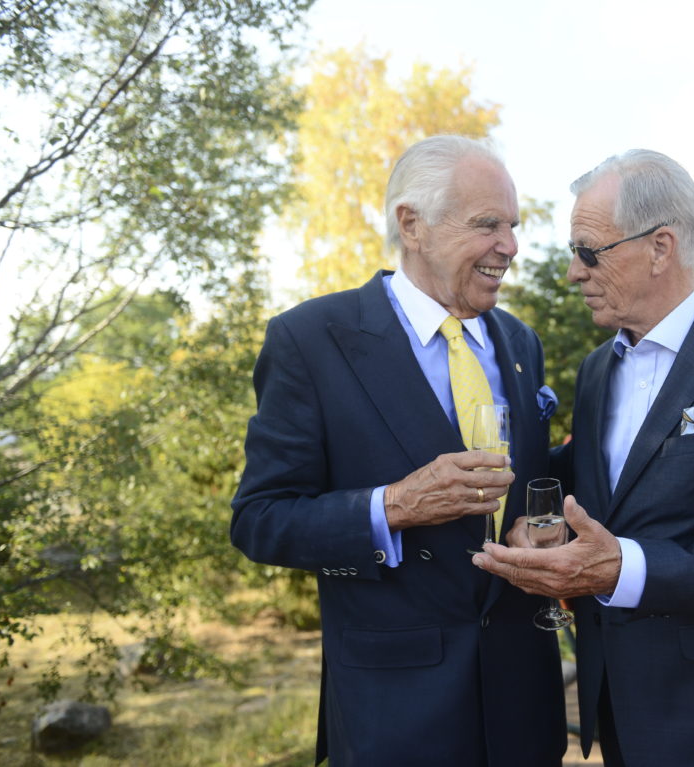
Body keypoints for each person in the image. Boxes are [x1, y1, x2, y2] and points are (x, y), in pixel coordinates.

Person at [474, 149, 694, 766]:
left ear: (660, 248)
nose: (573, 273)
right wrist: (535, 515)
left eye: (588, 252)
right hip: (618, 706)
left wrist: (620, 570)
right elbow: (603, 487)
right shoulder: (597, 370)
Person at [229, 136, 566, 767]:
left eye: (513, 227)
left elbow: (526, 483)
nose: (510, 246)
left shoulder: (521, 342)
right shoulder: (311, 339)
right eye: (487, 225)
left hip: (523, 703)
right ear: (412, 225)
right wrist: (395, 506)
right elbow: (260, 520)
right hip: (395, 712)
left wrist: (531, 525)